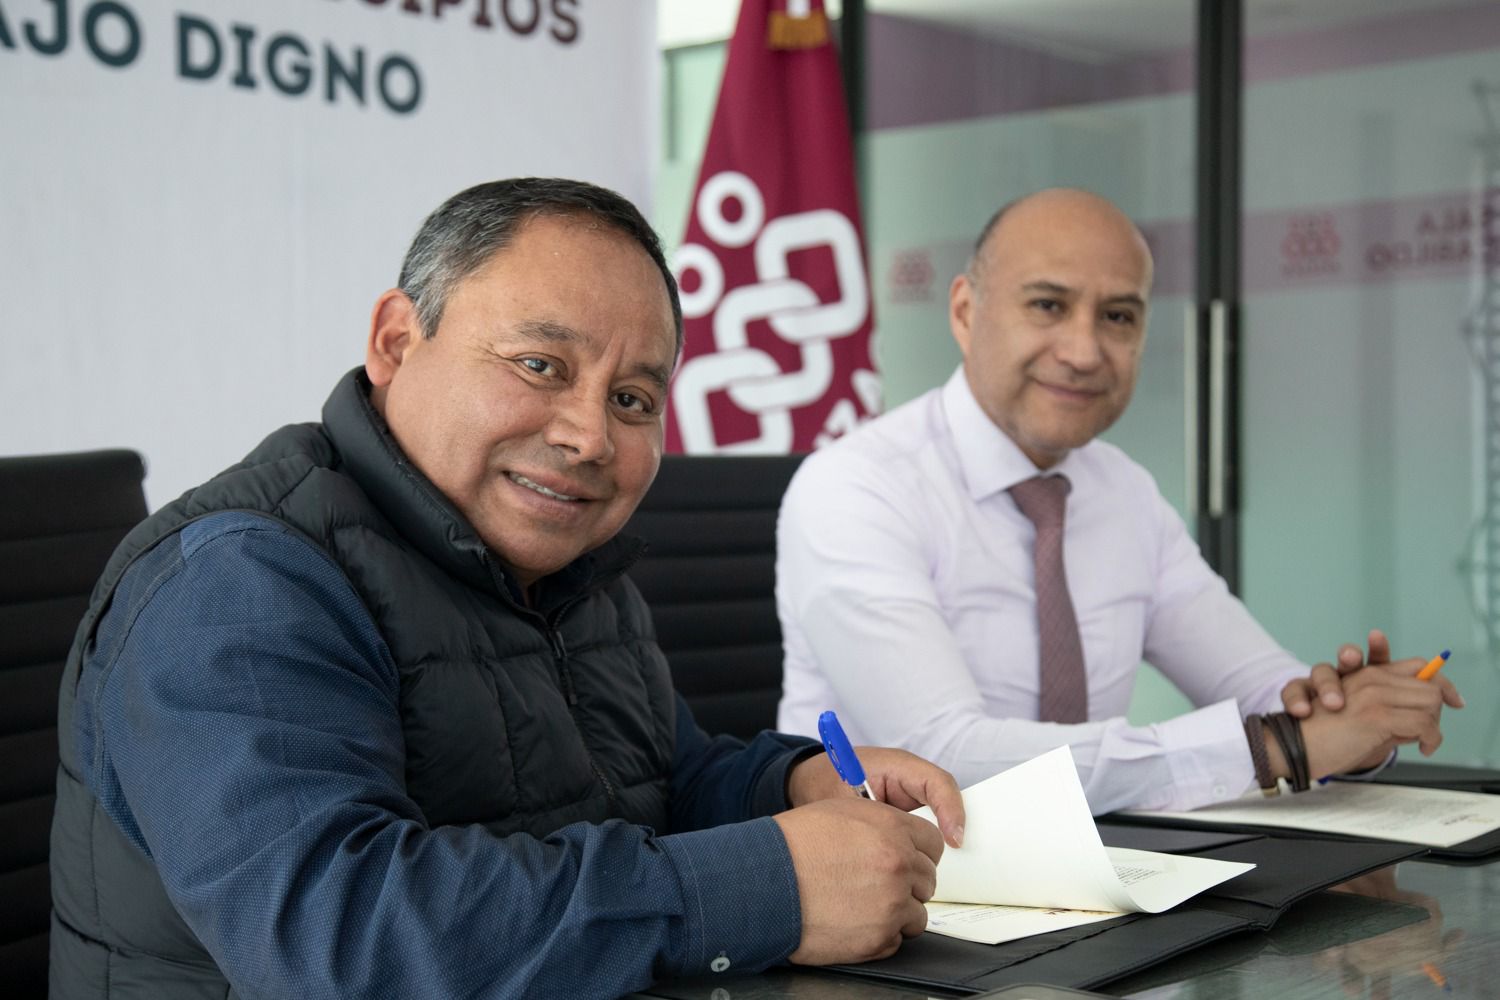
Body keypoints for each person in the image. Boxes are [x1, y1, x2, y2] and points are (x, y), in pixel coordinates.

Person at [50, 178, 967, 1000]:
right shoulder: (237, 579)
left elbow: (657, 782)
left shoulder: (563, 561)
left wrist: (791, 785)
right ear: (397, 341)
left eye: (633, 400)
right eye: (540, 366)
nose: (590, 438)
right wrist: (764, 886)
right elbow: (346, 937)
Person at [776, 187, 1462, 815]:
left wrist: (1356, 716)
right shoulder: (856, 487)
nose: (1084, 351)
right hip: (893, 882)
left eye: (1117, 316)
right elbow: (941, 757)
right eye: (1048, 305)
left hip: (1107, 870)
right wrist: (1276, 747)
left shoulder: (1123, 490)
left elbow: (1260, 685)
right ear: (964, 311)